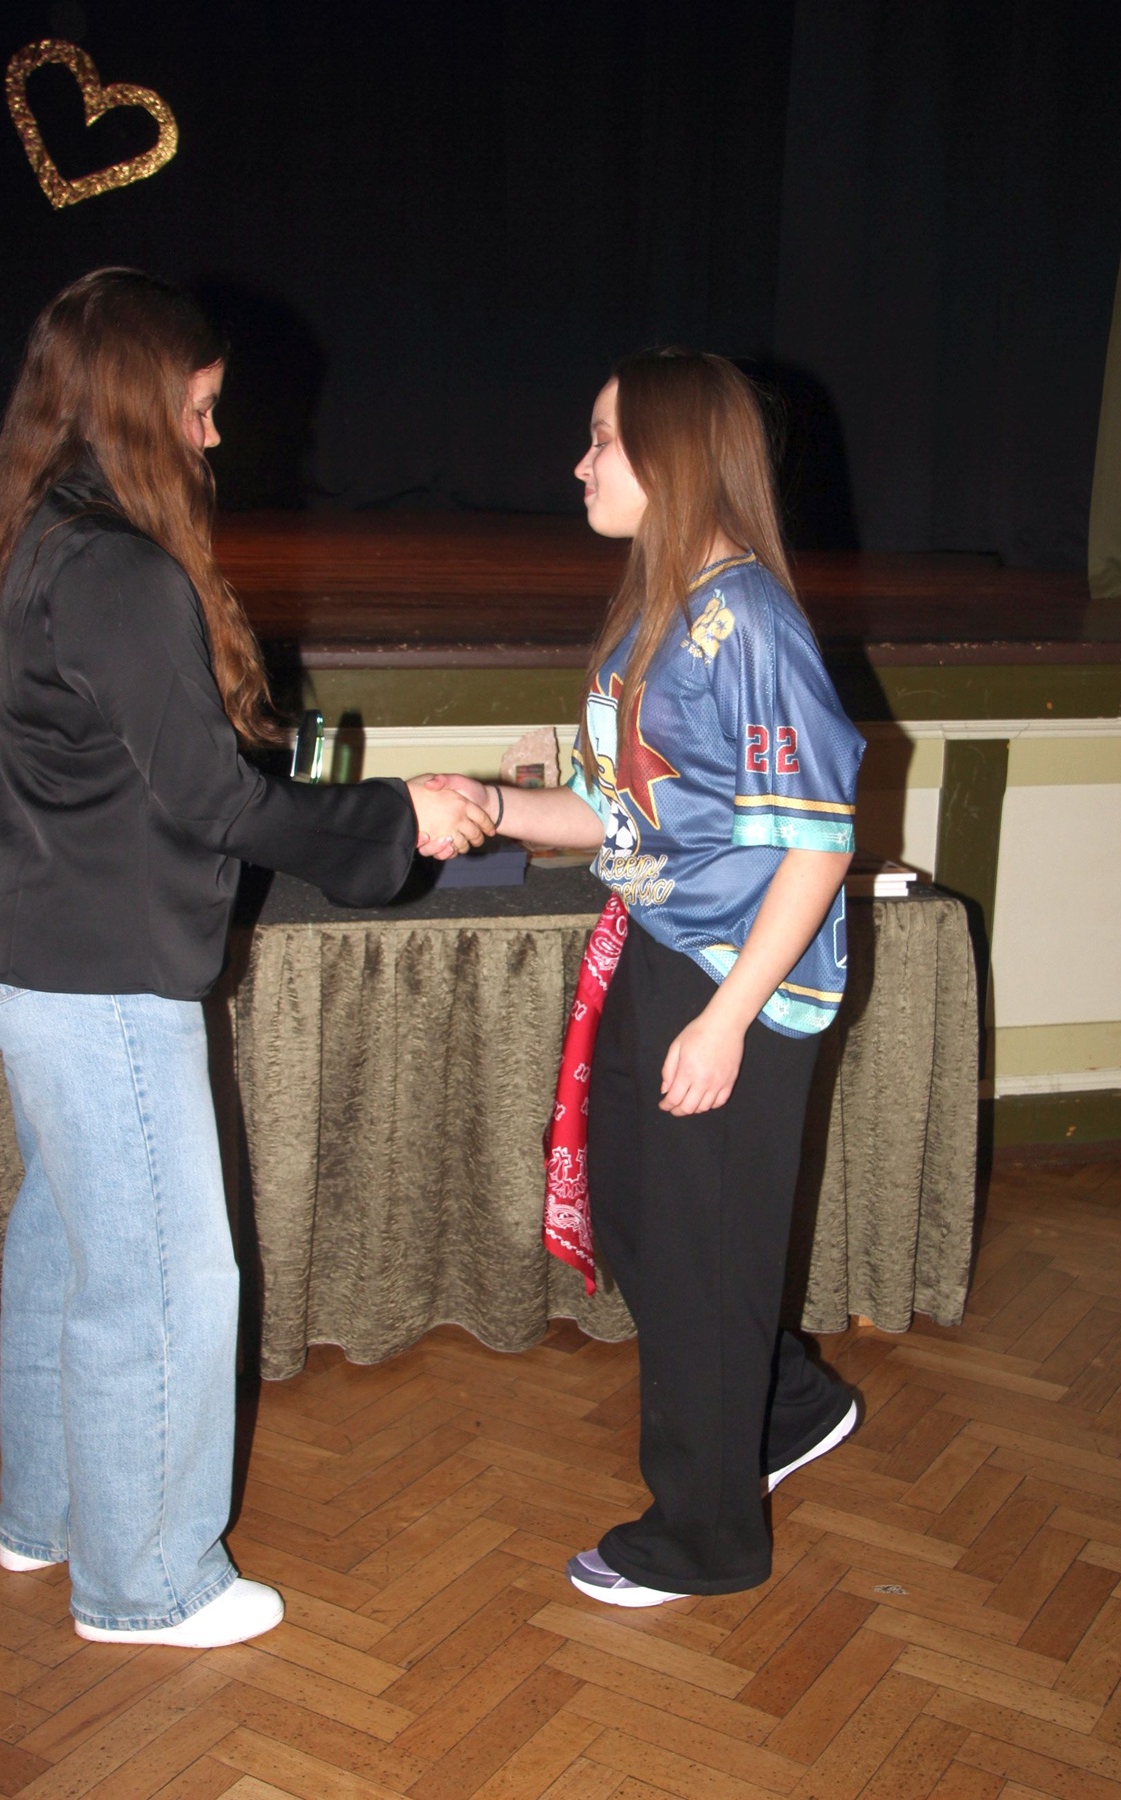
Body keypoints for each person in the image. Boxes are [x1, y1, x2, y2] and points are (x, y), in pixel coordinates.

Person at [0, 268, 492, 1648]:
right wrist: (399, 819)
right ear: (140, 402)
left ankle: (46, 1518)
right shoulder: (119, 568)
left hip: (31, 957)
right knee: (167, 1279)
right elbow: (216, 804)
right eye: (198, 408)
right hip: (97, 980)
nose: (213, 435)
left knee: (69, 1241)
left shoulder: (42, 533)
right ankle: (145, 1584)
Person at [427, 348, 865, 1604]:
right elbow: (615, 814)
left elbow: (819, 844)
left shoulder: (750, 623)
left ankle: (706, 1538)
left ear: (674, 455)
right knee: (641, 1217)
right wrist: (490, 807)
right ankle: (784, 1402)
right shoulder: (653, 610)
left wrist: (727, 1022)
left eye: (603, 439)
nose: (580, 464)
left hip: (736, 978)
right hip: (661, 946)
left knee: (700, 1250)